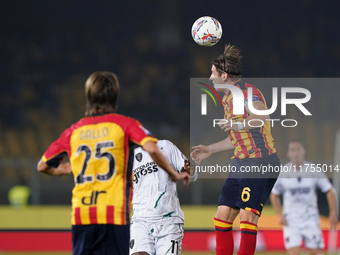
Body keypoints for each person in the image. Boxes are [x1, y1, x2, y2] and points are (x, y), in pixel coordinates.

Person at [37, 71, 190, 255]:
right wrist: (174, 174)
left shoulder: (74, 131)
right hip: (114, 213)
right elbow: (152, 147)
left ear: (88, 97)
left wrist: (62, 170)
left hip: (83, 214)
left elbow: (43, 166)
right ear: (115, 98)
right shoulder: (123, 125)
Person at [191, 44, 280, 255]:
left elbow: (262, 117)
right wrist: (210, 149)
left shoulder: (248, 93)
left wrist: (237, 125)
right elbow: (236, 139)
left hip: (261, 162)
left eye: (212, 74)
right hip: (241, 162)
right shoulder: (228, 98)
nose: (210, 78)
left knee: (247, 217)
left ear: (224, 75)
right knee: (222, 215)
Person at [270, 139, 338, 255]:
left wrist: (332, 212)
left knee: (315, 252)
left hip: (310, 219)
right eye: (293, 150)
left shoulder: (314, 170)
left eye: (298, 149)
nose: (296, 153)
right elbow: (274, 194)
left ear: (304, 152)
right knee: (293, 253)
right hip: (291, 220)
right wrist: (279, 214)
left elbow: (330, 191)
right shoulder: (283, 172)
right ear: (288, 153)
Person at [130, 140, 190, 255]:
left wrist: (187, 171)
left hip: (169, 222)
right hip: (140, 220)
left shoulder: (165, 146)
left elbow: (188, 169)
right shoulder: (127, 157)